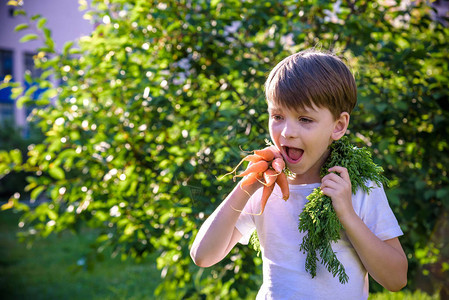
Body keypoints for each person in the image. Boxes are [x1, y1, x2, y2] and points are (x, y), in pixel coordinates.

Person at [190, 49, 407, 299]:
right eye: (278, 116)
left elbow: (396, 279)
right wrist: (246, 187)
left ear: (338, 126)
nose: (287, 132)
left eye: (304, 119)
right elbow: (203, 256)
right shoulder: (264, 186)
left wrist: (346, 213)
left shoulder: (355, 185)